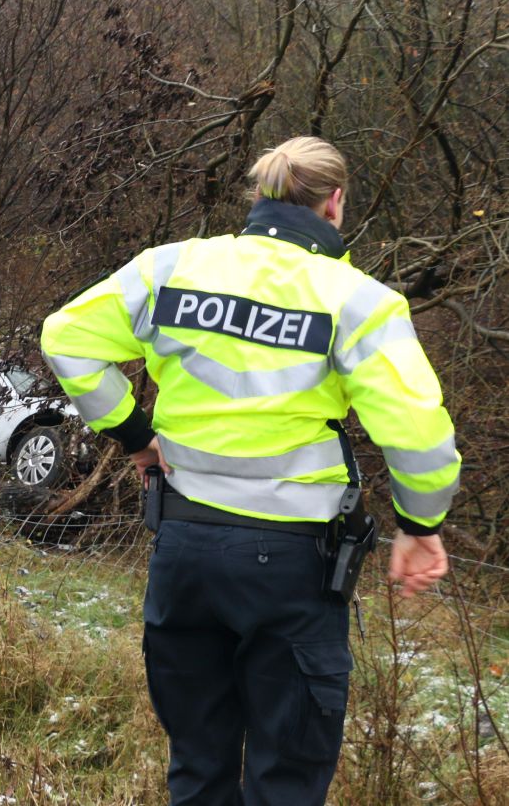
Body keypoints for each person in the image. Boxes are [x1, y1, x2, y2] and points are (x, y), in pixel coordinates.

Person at [40, 136, 458, 805]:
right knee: (285, 779)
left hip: (184, 552)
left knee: (198, 769)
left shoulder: (170, 268)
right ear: (335, 203)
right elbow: (418, 431)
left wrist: (135, 435)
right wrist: (420, 524)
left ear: (259, 195)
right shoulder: (358, 301)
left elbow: (66, 338)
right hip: (292, 567)